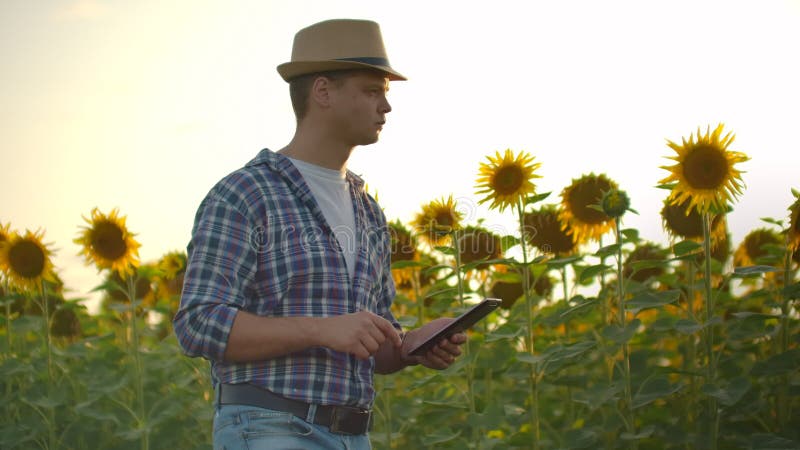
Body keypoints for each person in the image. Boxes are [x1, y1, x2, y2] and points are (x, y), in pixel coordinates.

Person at [173, 18, 467, 450]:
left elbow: (370, 347)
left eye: (385, 93)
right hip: (270, 427)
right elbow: (198, 323)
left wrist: (409, 348)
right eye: (372, 91)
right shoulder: (245, 193)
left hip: (354, 436)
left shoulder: (369, 213)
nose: (386, 107)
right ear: (324, 92)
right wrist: (321, 330)